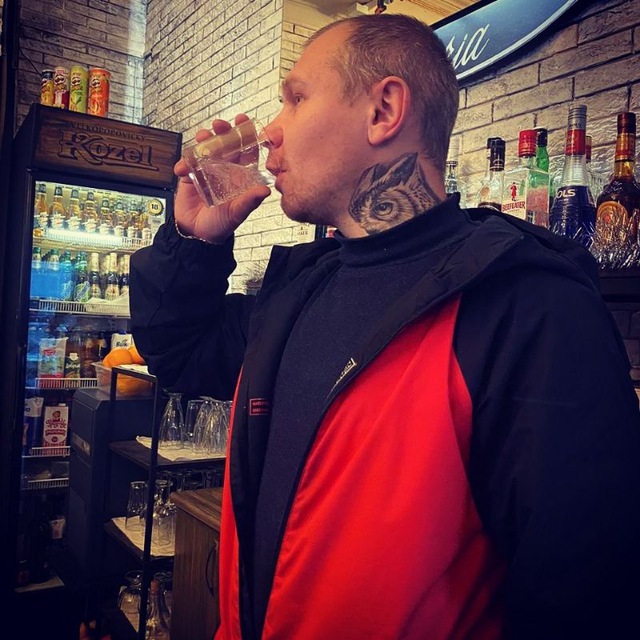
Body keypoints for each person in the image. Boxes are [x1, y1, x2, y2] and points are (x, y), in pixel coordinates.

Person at [130, 13, 640, 640]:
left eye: (296, 98)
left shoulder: (530, 310)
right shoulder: (300, 288)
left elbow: (586, 599)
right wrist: (193, 243)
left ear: (384, 110)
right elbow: (181, 353)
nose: (269, 132)